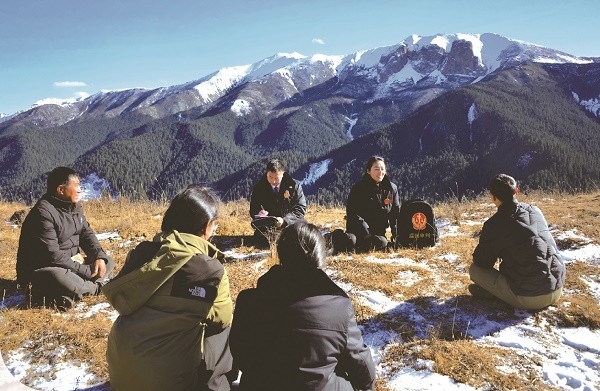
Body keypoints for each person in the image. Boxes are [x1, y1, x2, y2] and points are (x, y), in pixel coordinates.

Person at [103, 185, 236, 391]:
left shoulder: (142, 254)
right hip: (168, 383)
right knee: (223, 333)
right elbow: (222, 319)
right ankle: (217, 386)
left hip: (121, 376)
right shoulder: (209, 270)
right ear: (207, 226)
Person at [230, 222, 376, 390]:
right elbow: (359, 361)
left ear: (281, 254)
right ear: (320, 257)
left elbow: (241, 356)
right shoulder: (339, 307)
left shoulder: (248, 301)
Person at [16, 166, 114, 310]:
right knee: (58, 276)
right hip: (44, 269)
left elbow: (86, 234)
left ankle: (72, 291)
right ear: (61, 190)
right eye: (76, 186)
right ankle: (95, 287)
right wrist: (86, 271)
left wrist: (98, 256)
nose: (80, 189)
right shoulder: (43, 213)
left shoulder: (75, 207)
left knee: (107, 261)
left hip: (72, 263)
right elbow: (53, 256)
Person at [469, 174, 566, 310]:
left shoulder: (495, 224)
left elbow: (481, 262)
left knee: (474, 270)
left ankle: (499, 296)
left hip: (531, 297)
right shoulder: (535, 210)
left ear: (493, 197)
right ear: (517, 191)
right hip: (557, 287)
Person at [332, 156, 400, 253]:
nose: (380, 172)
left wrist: (396, 236)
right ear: (368, 171)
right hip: (357, 231)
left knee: (381, 243)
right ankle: (333, 237)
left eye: (382, 169)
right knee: (350, 241)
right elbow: (352, 213)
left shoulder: (391, 189)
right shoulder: (358, 188)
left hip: (377, 233)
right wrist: (366, 233)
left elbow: (395, 214)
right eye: (376, 169)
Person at [249, 158, 307, 246]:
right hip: (269, 225)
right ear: (267, 173)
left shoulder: (294, 186)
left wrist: (285, 220)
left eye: (276, 177)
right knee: (262, 242)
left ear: (283, 174)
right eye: (270, 177)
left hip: (291, 223)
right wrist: (259, 213)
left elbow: (300, 209)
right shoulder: (259, 187)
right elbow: (253, 208)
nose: (273, 181)